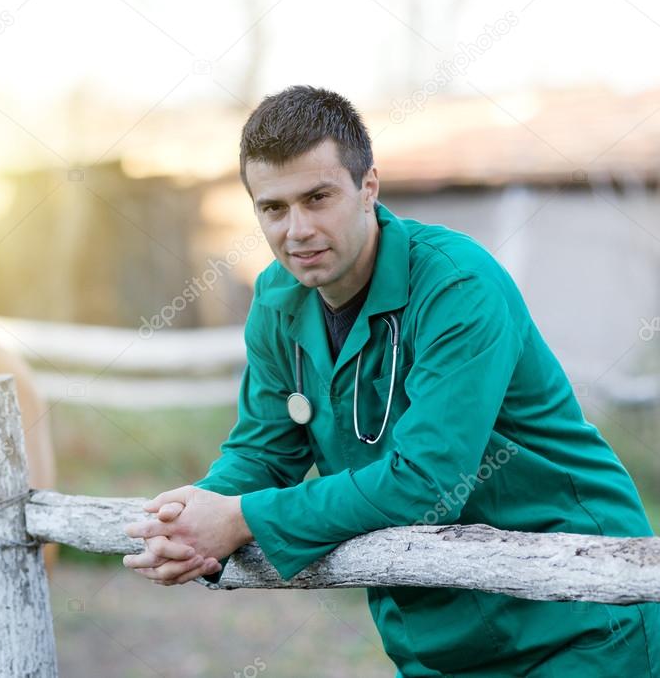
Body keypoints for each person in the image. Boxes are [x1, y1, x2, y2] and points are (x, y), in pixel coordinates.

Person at [122, 85, 660, 676]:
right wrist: (195, 517)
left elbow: (427, 481)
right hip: (435, 636)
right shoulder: (277, 303)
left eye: (318, 197)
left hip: (577, 617)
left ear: (369, 187)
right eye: (273, 208)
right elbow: (262, 451)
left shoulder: (457, 287)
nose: (297, 229)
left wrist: (242, 518)